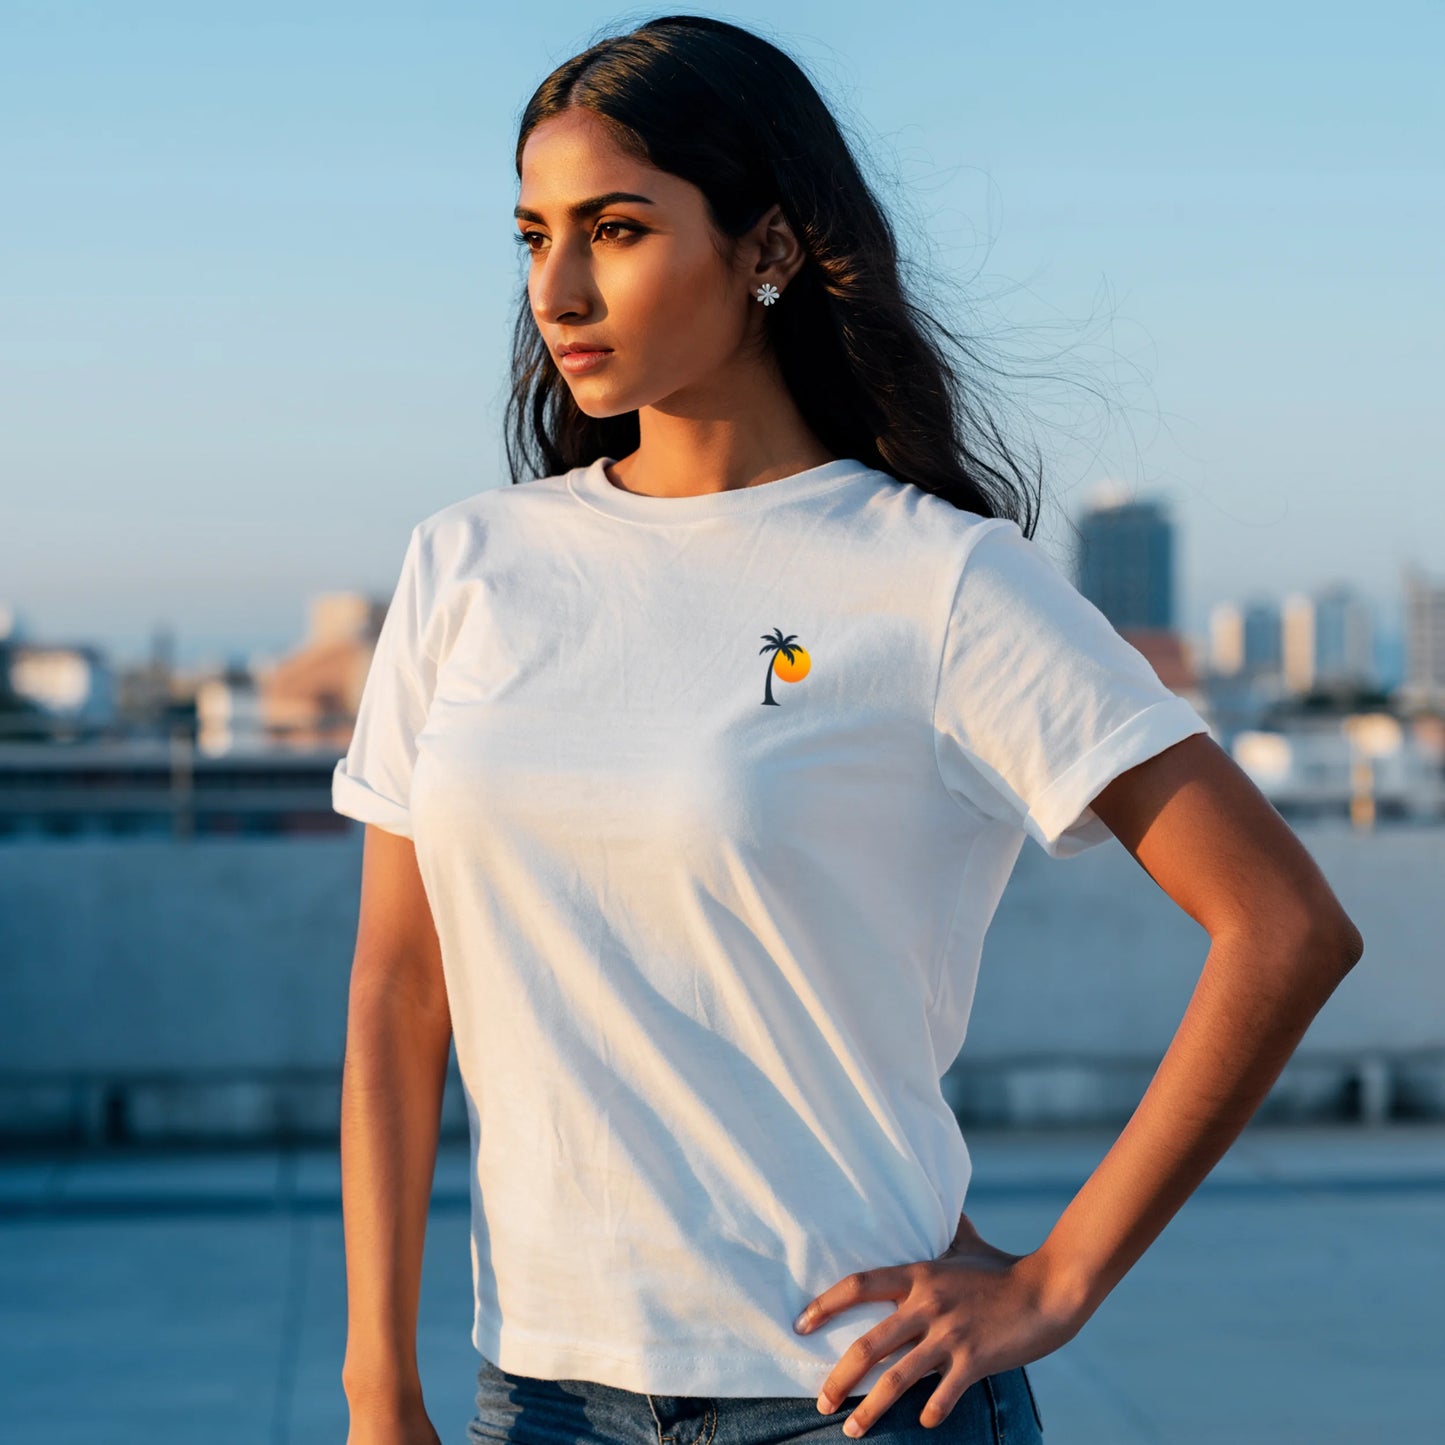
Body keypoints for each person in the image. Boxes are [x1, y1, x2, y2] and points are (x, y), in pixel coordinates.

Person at [331, 15, 1364, 1445]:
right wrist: (375, 1383)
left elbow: (1284, 920)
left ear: (765, 246)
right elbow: (398, 990)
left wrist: (1061, 1276)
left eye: (616, 230)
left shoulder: (933, 578)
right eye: (532, 234)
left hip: (853, 1400)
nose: (557, 289)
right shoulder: (468, 566)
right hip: (542, 1394)